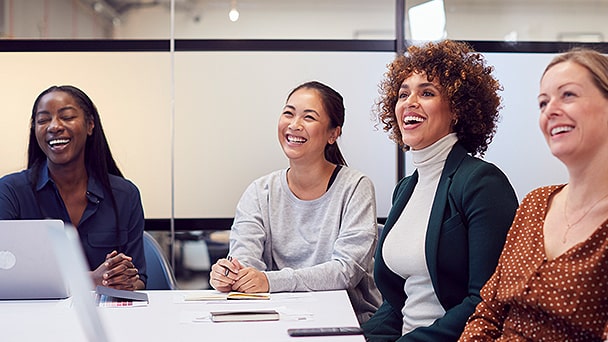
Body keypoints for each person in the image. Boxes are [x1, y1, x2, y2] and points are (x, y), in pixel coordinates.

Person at [361, 40, 519, 341]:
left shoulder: (482, 183)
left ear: (458, 109)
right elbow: (397, 305)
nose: (410, 102)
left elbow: (485, 301)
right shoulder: (406, 189)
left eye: (427, 92)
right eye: (403, 93)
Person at [459, 48, 608, 341]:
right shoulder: (535, 203)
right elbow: (488, 310)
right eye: (543, 102)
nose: (550, 110)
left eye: (568, 95)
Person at [208, 80, 381, 323]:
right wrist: (232, 274)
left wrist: (269, 281)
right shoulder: (260, 191)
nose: (294, 124)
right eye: (288, 113)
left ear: (334, 133)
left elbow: (345, 271)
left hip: (346, 321)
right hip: (275, 318)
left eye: (308, 117)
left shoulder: (355, 187)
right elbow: (245, 258)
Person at [0, 85, 146, 291]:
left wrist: (123, 280)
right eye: (43, 120)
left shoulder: (125, 195)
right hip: (36, 316)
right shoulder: (11, 191)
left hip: (108, 317)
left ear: (90, 125)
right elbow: (5, 277)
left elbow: (139, 278)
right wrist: (92, 280)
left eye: (67, 117)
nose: (54, 126)